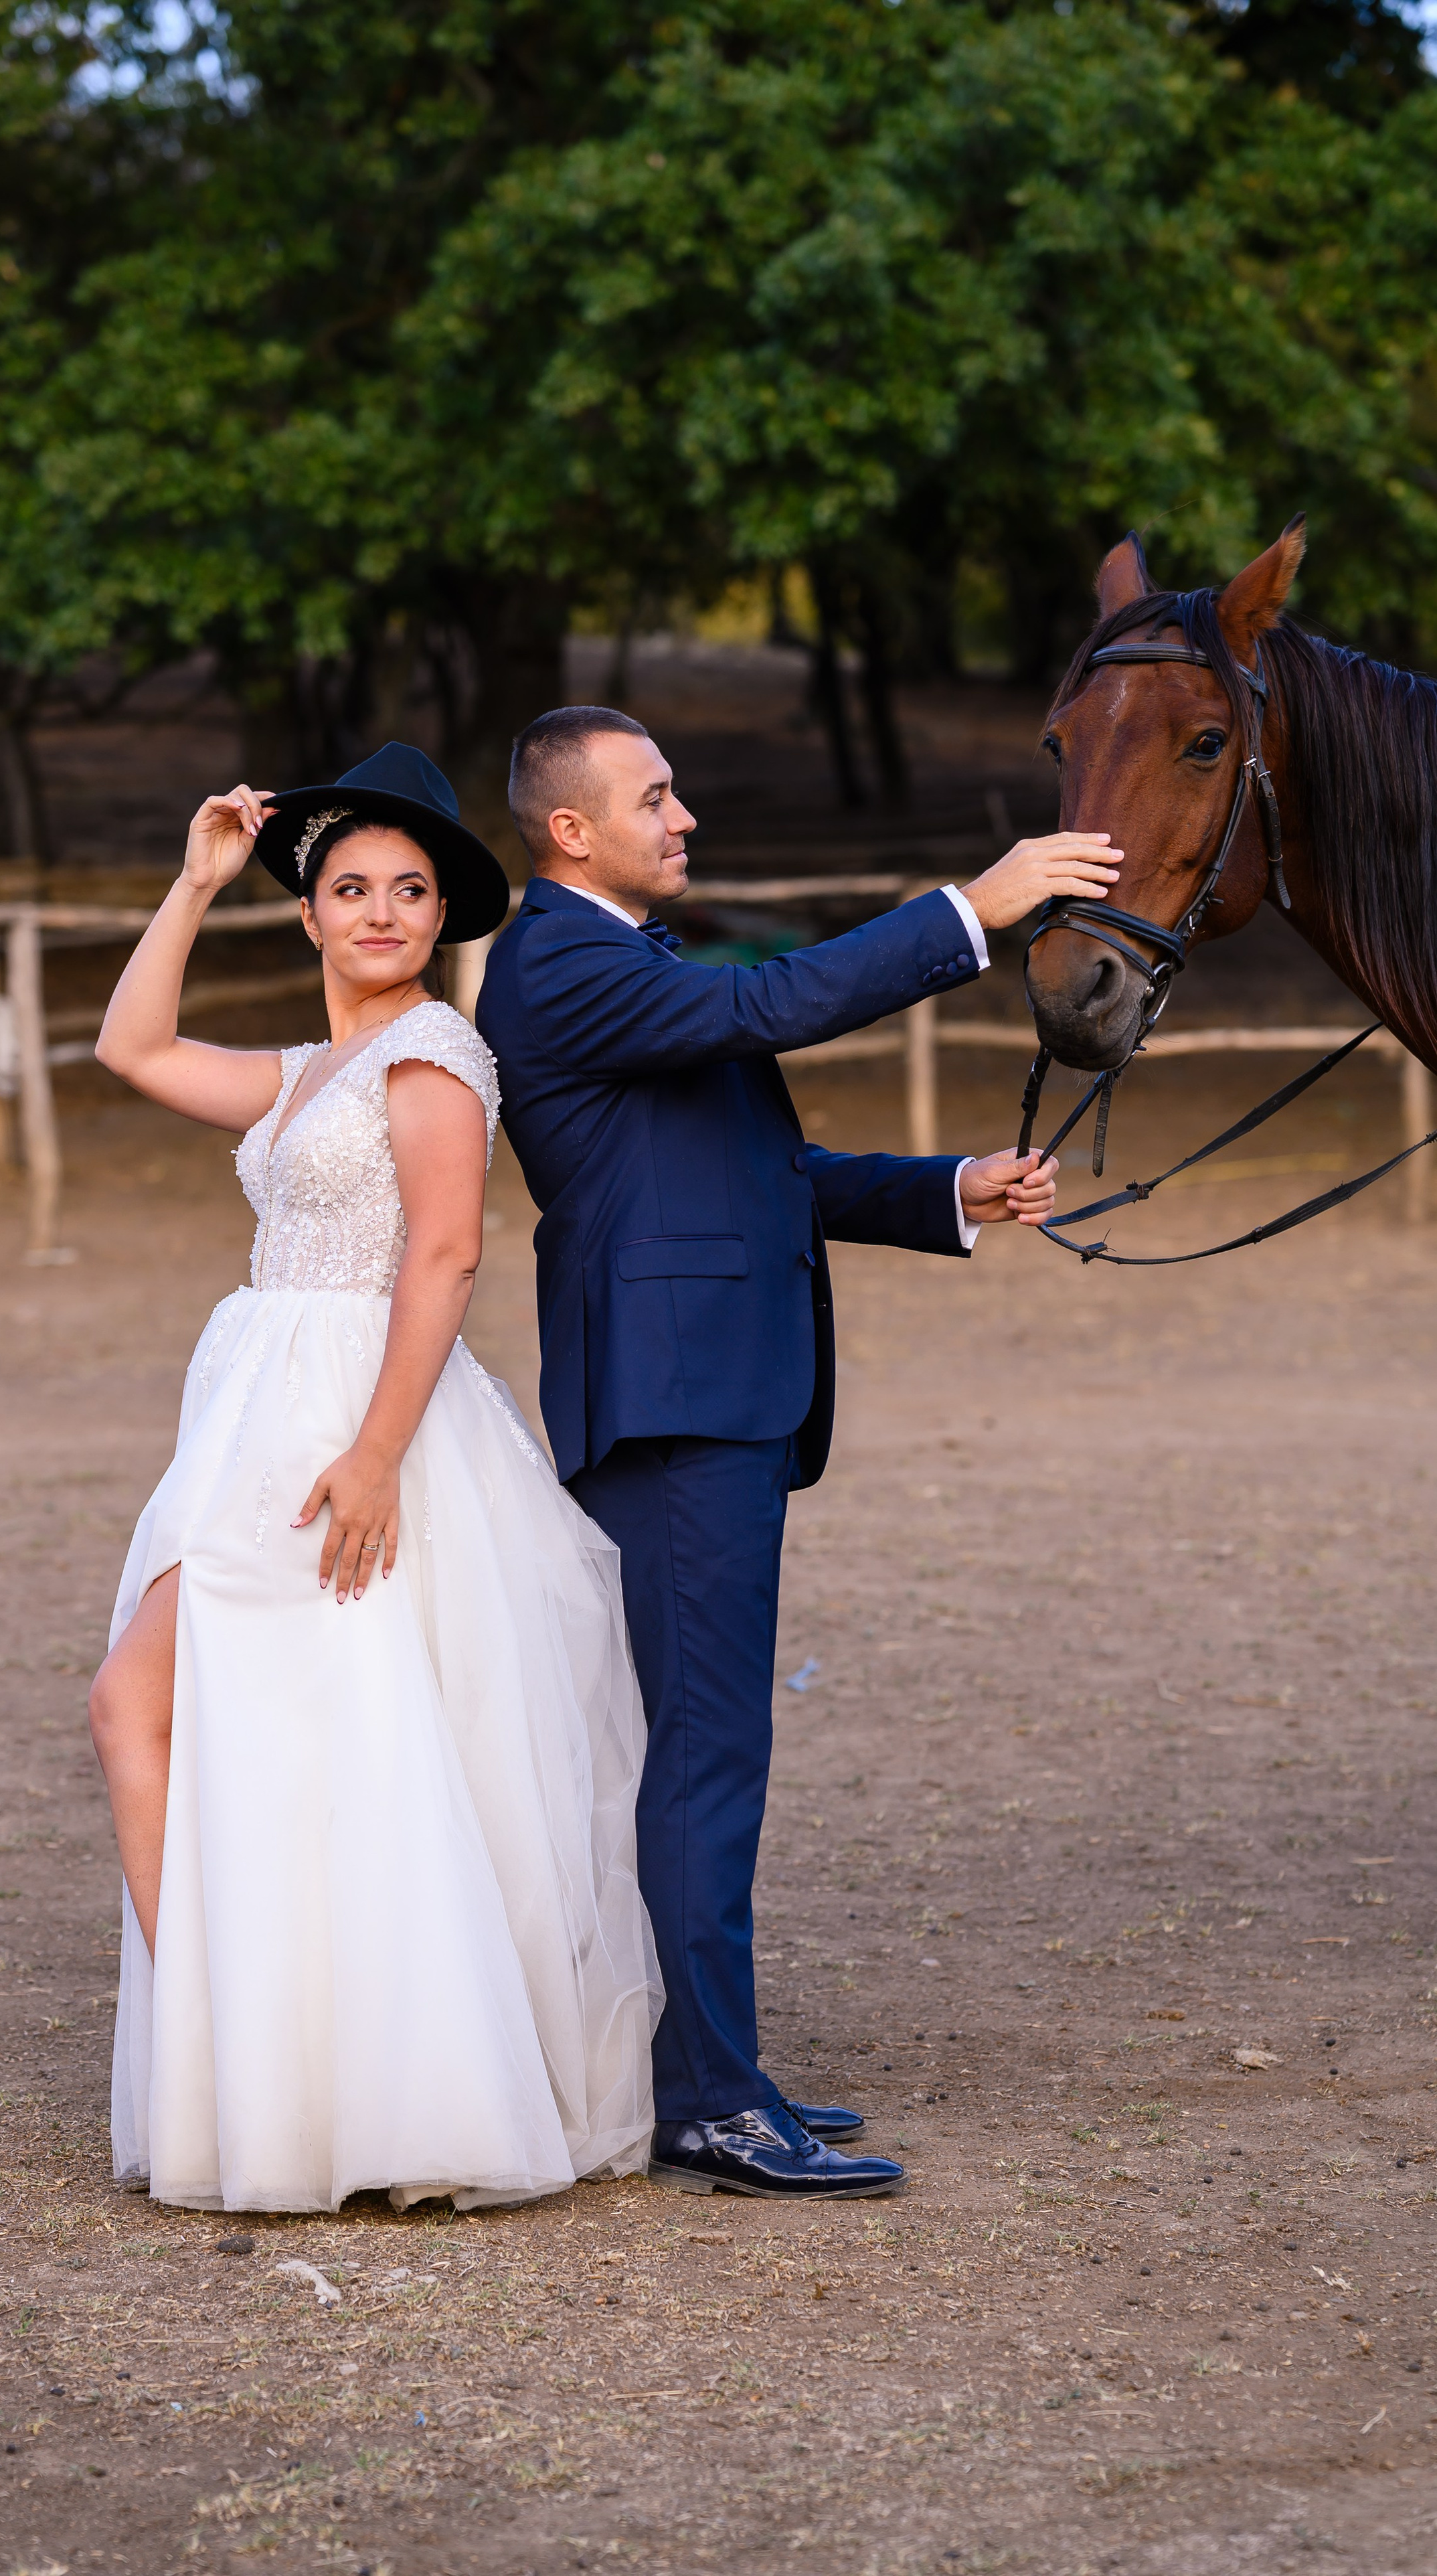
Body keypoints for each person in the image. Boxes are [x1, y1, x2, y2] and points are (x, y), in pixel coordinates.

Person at [477, 706, 1122, 2200]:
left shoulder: (626, 964)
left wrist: (945, 1187)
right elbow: (769, 1005)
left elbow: (752, 1173)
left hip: (706, 1396)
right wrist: (976, 906)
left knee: (706, 1752)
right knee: (704, 1757)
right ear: (569, 830)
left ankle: (709, 2071)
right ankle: (703, 2100)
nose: (684, 814)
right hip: (675, 1404)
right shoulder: (557, 957)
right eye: (654, 795)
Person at [86, 741, 659, 2214]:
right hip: (254, 1419)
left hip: (363, 1422)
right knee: (166, 1713)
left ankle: (373, 2083)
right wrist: (196, 878)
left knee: (352, 1742)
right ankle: (246, 2055)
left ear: (437, 920)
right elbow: (132, 1049)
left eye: (410, 890)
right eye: (350, 888)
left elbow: (447, 1252)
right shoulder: (301, 1074)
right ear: (311, 915)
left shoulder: (432, 1055)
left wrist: (377, 1454)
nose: (382, 912)